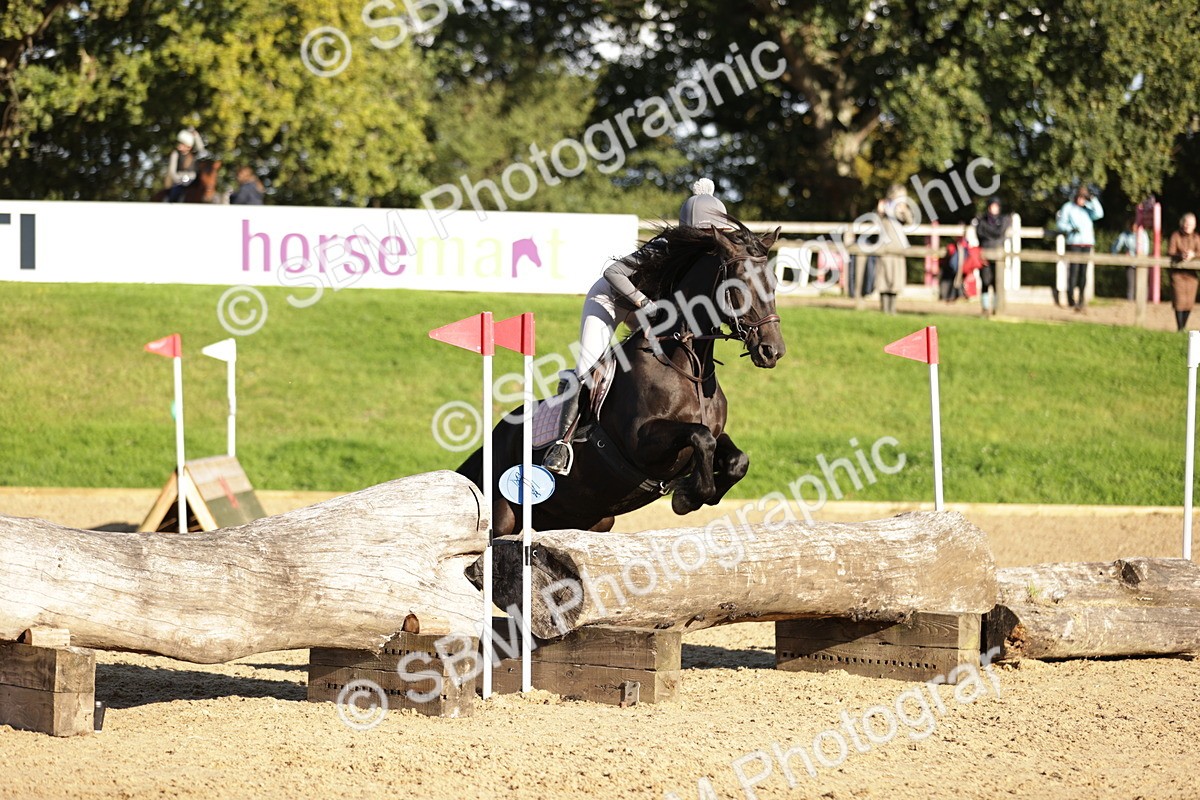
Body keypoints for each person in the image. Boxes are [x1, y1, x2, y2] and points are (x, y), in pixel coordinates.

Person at [542, 178, 733, 475]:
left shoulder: (706, 261)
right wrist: (645, 305)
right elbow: (613, 272)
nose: (714, 239)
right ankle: (562, 443)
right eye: (709, 232)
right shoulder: (665, 246)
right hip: (609, 297)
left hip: (648, 305)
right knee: (589, 368)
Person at [1055, 186, 1104, 311]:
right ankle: (1071, 299)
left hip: (1087, 243)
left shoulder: (1088, 209)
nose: (1082, 200)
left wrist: (1092, 199)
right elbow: (1060, 224)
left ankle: (1082, 298)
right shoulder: (1068, 208)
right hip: (1074, 243)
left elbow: (1099, 213)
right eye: (1080, 197)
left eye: (1084, 198)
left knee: (1083, 273)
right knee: (1073, 272)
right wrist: (1070, 229)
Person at [875, 184, 913, 315]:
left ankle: (893, 309)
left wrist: (904, 211)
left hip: (898, 248)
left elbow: (910, 221)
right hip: (884, 247)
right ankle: (884, 309)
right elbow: (875, 222)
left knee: (895, 280)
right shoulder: (885, 206)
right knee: (883, 279)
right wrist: (880, 212)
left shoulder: (900, 208)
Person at [972, 196, 1011, 315]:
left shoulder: (1002, 220)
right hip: (985, 253)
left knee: (997, 281)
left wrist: (987, 231)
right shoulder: (982, 220)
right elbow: (980, 234)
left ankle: (996, 307)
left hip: (998, 254)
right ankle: (985, 307)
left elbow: (999, 233)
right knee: (985, 280)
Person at [1169, 213, 1200, 331]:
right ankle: (1179, 327)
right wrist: (1180, 255)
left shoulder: (1197, 238)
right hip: (1178, 274)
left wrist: (1193, 255)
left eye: (1191, 224)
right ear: (1182, 223)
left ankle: (1184, 326)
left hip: (1192, 275)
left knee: (1189, 302)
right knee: (1179, 301)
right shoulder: (1175, 236)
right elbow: (1170, 251)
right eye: (1186, 223)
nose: (1188, 226)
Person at [1112, 216, 1150, 302]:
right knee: (1131, 284)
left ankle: (1143, 301)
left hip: (1141, 262)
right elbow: (1115, 247)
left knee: (1142, 284)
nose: (1134, 228)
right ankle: (1130, 302)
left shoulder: (1143, 234)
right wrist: (1118, 255)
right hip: (1130, 263)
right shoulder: (1124, 235)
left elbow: (1146, 250)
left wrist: (1141, 255)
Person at [164, 128, 207, 201]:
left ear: (189, 147)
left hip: (193, 182)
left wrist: (196, 136)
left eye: (182, 144)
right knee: (174, 194)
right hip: (179, 183)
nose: (179, 146)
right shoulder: (175, 154)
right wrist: (179, 180)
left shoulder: (194, 155)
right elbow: (172, 171)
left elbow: (202, 150)